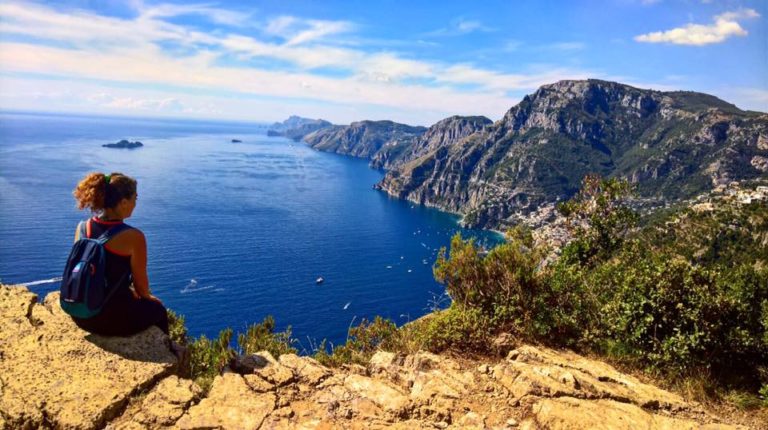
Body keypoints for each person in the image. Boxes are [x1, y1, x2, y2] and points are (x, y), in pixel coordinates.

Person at [70, 172, 170, 337]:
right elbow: (142, 288)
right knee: (158, 311)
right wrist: (148, 298)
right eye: (135, 199)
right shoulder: (134, 237)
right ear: (123, 202)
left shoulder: (82, 227)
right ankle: (170, 351)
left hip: (79, 313)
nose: (135, 203)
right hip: (108, 319)